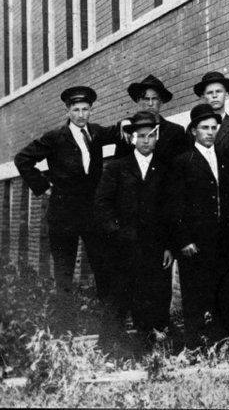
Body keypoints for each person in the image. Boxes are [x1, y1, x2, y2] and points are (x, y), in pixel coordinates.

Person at [15, 85, 116, 297]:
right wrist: (44, 187)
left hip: (92, 212)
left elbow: (116, 132)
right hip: (63, 213)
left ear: (91, 110)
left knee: (104, 267)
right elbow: (23, 159)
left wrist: (126, 123)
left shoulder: (96, 132)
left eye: (86, 109)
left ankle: (108, 326)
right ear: (68, 111)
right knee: (64, 272)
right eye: (76, 110)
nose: (81, 115)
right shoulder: (55, 137)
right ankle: (65, 325)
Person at [93, 110, 174, 350]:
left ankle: (148, 345)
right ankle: (110, 347)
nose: (145, 140)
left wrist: (169, 245)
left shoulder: (164, 169)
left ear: (156, 137)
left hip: (154, 247)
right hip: (122, 247)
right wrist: (115, 232)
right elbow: (102, 204)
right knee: (119, 295)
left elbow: (171, 210)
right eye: (140, 136)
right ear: (132, 138)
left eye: (150, 135)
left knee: (152, 295)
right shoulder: (117, 168)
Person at [174, 103, 229, 348]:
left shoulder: (225, 157)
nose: (210, 132)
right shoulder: (182, 161)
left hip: (223, 239)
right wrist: (184, 240)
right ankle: (193, 343)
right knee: (194, 293)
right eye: (204, 128)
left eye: (214, 128)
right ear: (193, 131)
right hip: (196, 242)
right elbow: (176, 205)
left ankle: (221, 340)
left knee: (224, 291)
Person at [193, 71, 229, 152]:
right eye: (210, 92)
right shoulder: (195, 129)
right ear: (203, 97)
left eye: (218, 91)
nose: (214, 96)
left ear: (226, 93)